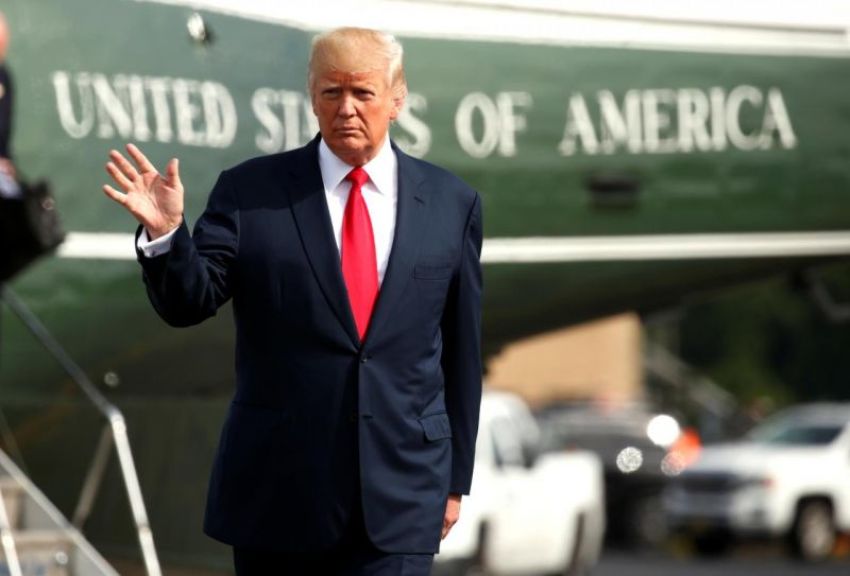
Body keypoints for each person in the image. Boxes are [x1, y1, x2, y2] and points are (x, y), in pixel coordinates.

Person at [103, 27, 483, 575]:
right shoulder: (250, 192)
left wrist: (454, 482)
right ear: (311, 96)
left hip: (401, 500)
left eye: (362, 93)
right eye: (331, 93)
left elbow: (461, 356)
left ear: (397, 98)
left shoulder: (452, 203)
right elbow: (189, 302)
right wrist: (168, 238)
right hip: (276, 499)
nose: (346, 109)